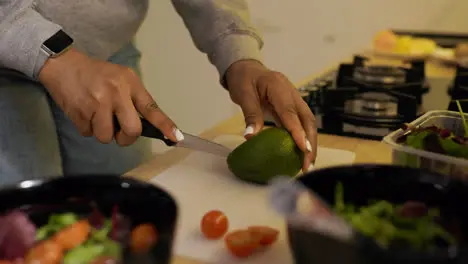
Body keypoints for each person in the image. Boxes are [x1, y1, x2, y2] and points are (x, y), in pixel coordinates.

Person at [0, 0, 317, 186]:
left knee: (128, 203)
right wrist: (50, 54)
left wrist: (240, 55)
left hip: (105, 51)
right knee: (22, 227)